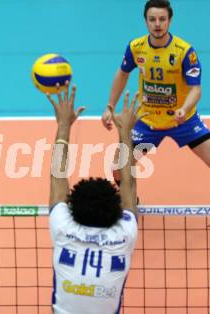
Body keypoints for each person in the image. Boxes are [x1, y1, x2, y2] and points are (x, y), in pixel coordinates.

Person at [46, 83, 141, 313]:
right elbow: (128, 182)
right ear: (116, 209)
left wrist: (63, 126)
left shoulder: (63, 227)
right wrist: (125, 134)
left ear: (73, 206)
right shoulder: (123, 234)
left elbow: (57, 177)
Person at [102, 0, 209, 185]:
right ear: (145, 21)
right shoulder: (136, 47)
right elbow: (122, 74)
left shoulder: (184, 51)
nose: (157, 24)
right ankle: (130, 204)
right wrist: (109, 107)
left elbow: (196, 90)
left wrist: (185, 108)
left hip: (183, 121)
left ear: (170, 21)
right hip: (147, 120)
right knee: (119, 170)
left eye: (162, 19)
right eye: (152, 19)